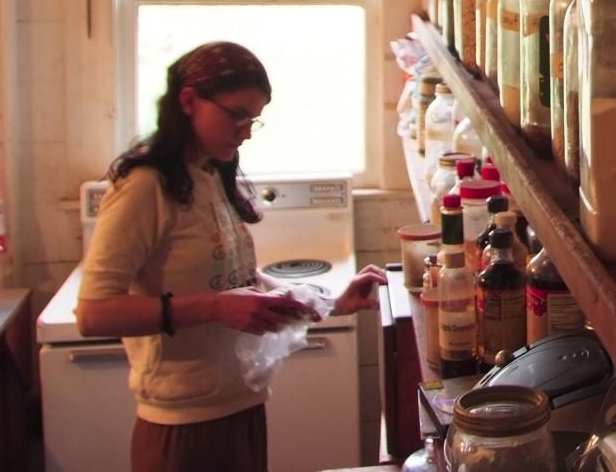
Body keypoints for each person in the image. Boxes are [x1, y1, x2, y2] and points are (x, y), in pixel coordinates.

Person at [77, 41, 386, 472]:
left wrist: (327, 302)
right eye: (237, 115)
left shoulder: (208, 174)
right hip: (183, 429)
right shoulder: (145, 186)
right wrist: (216, 308)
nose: (245, 131)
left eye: (253, 120)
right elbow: (93, 313)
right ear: (188, 101)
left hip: (239, 409)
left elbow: (234, 280)